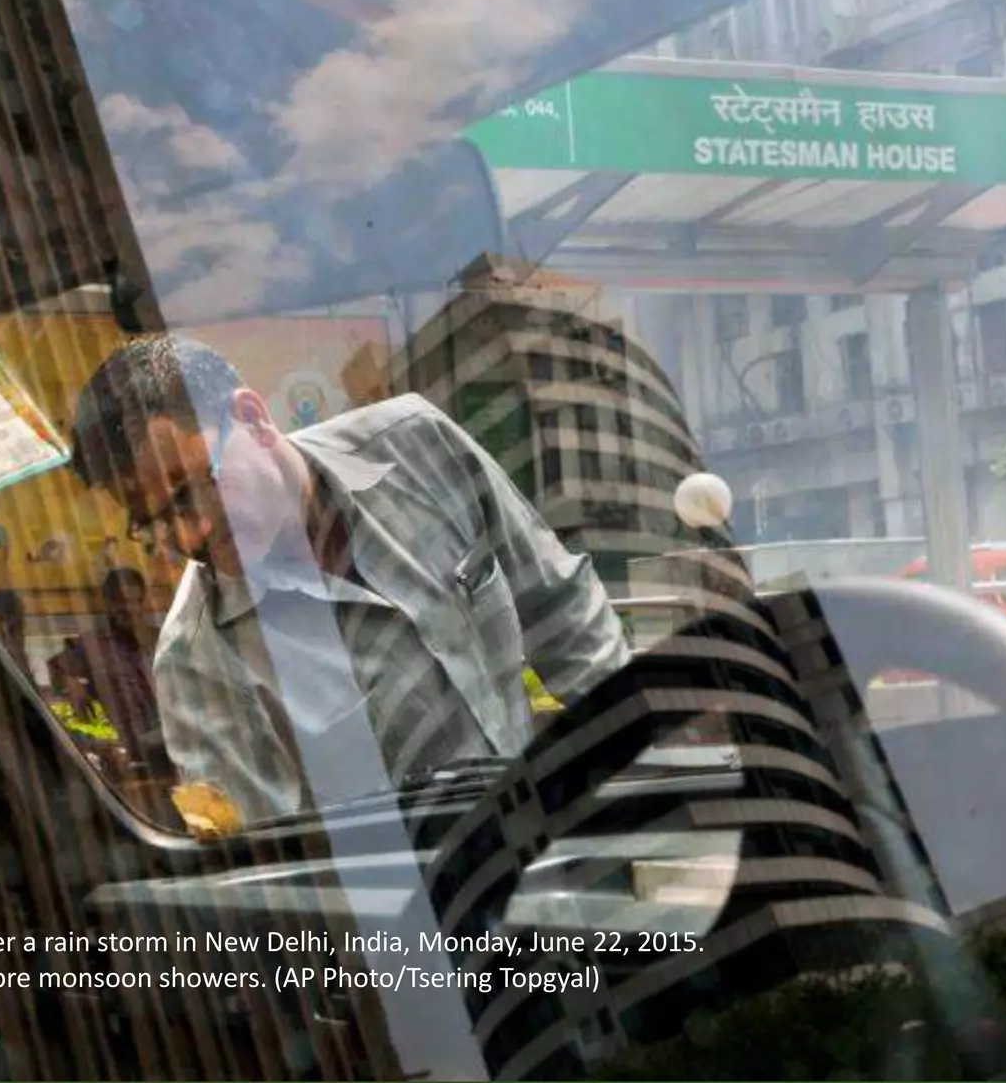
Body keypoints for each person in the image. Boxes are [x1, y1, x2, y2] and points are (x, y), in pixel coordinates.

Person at [66, 335, 630, 827]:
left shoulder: (422, 449)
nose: (190, 536)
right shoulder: (199, 664)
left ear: (253, 418)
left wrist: (636, 767)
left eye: (191, 492)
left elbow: (563, 613)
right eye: (156, 522)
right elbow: (277, 879)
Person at [74, 567, 175, 787]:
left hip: (173, 753)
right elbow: (64, 682)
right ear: (108, 603)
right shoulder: (90, 646)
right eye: (121, 602)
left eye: (135, 601)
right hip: (124, 761)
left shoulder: (165, 639)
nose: (129, 608)